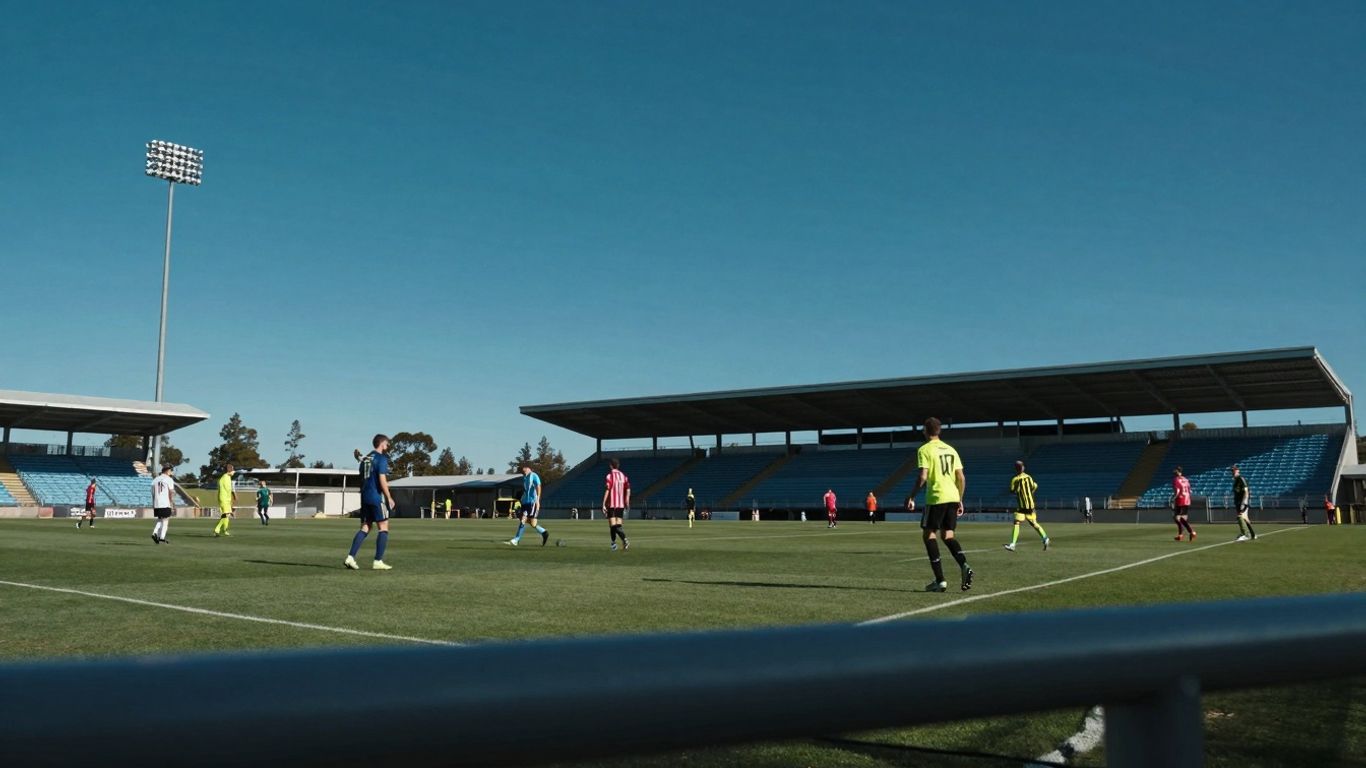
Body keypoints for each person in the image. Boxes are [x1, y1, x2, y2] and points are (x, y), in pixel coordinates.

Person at [907, 417, 973, 592]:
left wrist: (911, 496)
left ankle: (940, 580)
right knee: (948, 536)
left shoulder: (925, 449)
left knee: (929, 535)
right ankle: (964, 565)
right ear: (939, 431)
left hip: (936, 497)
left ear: (925, 431)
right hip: (952, 496)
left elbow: (923, 476)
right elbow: (961, 477)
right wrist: (959, 499)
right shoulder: (952, 450)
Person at [345, 434, 395, 570]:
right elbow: (382, 479)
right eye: (387, 444)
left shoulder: (366, 459)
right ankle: (378, 561)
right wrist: (389, 497)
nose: (388, 446)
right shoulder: (381, 458)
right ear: (382, 443)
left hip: (365, 496)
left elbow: (364, 475)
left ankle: (350, 557)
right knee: (383, 526)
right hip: (375, 497)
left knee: (365, 527)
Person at [1005, 461, 1050, 551]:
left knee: (1017, 523)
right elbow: (1035, 486)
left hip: (1022, 507)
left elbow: (1012, 490)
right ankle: (1045, 538)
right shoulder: (1029, 477)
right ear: (1023, 468)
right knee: (1034, 523)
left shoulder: (1015, 479)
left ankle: (1013, 544)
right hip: (1031, 506)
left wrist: (1018, 490)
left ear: (1016, 469)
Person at [506, 463, 549, 546]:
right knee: (524, 520)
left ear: (528, 468)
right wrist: (522, 499)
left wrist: (538, 500)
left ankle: (543, 533)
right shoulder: (525, 478)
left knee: (531, 522)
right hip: (525, 503)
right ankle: (517, 539)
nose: (523, 471)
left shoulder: (534, 475)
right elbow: (526, 491)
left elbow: (538, 487)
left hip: (532, 503)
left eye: (524, 469)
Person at [602, 457, 631, 551]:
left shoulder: (609, 476)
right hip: (621, 505)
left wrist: (603, 503)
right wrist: (626, 500)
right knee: (617, 526)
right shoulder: (623, 476)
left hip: (612, 504)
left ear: (610, 465)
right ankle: (619, 542)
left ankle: (616, 543)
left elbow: (607, 489)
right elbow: (628, 488)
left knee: (613, 526)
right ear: (618, 466)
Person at [151, 465, 176, 544]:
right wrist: (172, 502)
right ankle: (159, 536)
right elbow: (171, 492)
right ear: (167, 471)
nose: (171, 472)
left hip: (157, 503)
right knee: (165, 520)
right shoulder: (169, 479)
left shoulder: (155, 480)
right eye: (171, 471)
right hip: (165, 502)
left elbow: (152, 492)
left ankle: (158, 536)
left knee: (160, 519)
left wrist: (154, 503)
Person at [1231, 465, 1257, 541]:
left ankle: (1245, 534)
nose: (1233, 472)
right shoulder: (1235, 481)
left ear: (1238, 471)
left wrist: (1244, 502)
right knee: (1245, 519)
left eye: (1234, 470)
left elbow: (1246, 491)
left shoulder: (1241, 479)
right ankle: (1253, 534)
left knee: (1240, 517)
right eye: (1232, 471)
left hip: (1242, 502)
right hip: (1238, 502)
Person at [1171, 467, 1196, 541]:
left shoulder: (1176, 479)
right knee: (1182, 518)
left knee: (1176, 517)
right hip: (1187, 499)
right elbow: (1190, 490)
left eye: (1175, 471)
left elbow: (1177, 491)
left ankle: (1191, 532)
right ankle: (1181, 534)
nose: (1174, 472)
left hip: (1180, 499)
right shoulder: (1186, 479)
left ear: (1178, 472)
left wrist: (1173, 499)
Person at [213, 464, 236, 537]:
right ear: (229, 470)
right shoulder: (225, 477)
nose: (233, 471)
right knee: (226, 514)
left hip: (226, 499)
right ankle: (217, 529)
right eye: (232, 469)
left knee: (227, 515)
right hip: (224, 498)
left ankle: (225, 530)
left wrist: (231, 499)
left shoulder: (228, 477)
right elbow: (227, 489)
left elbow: (229, 489)